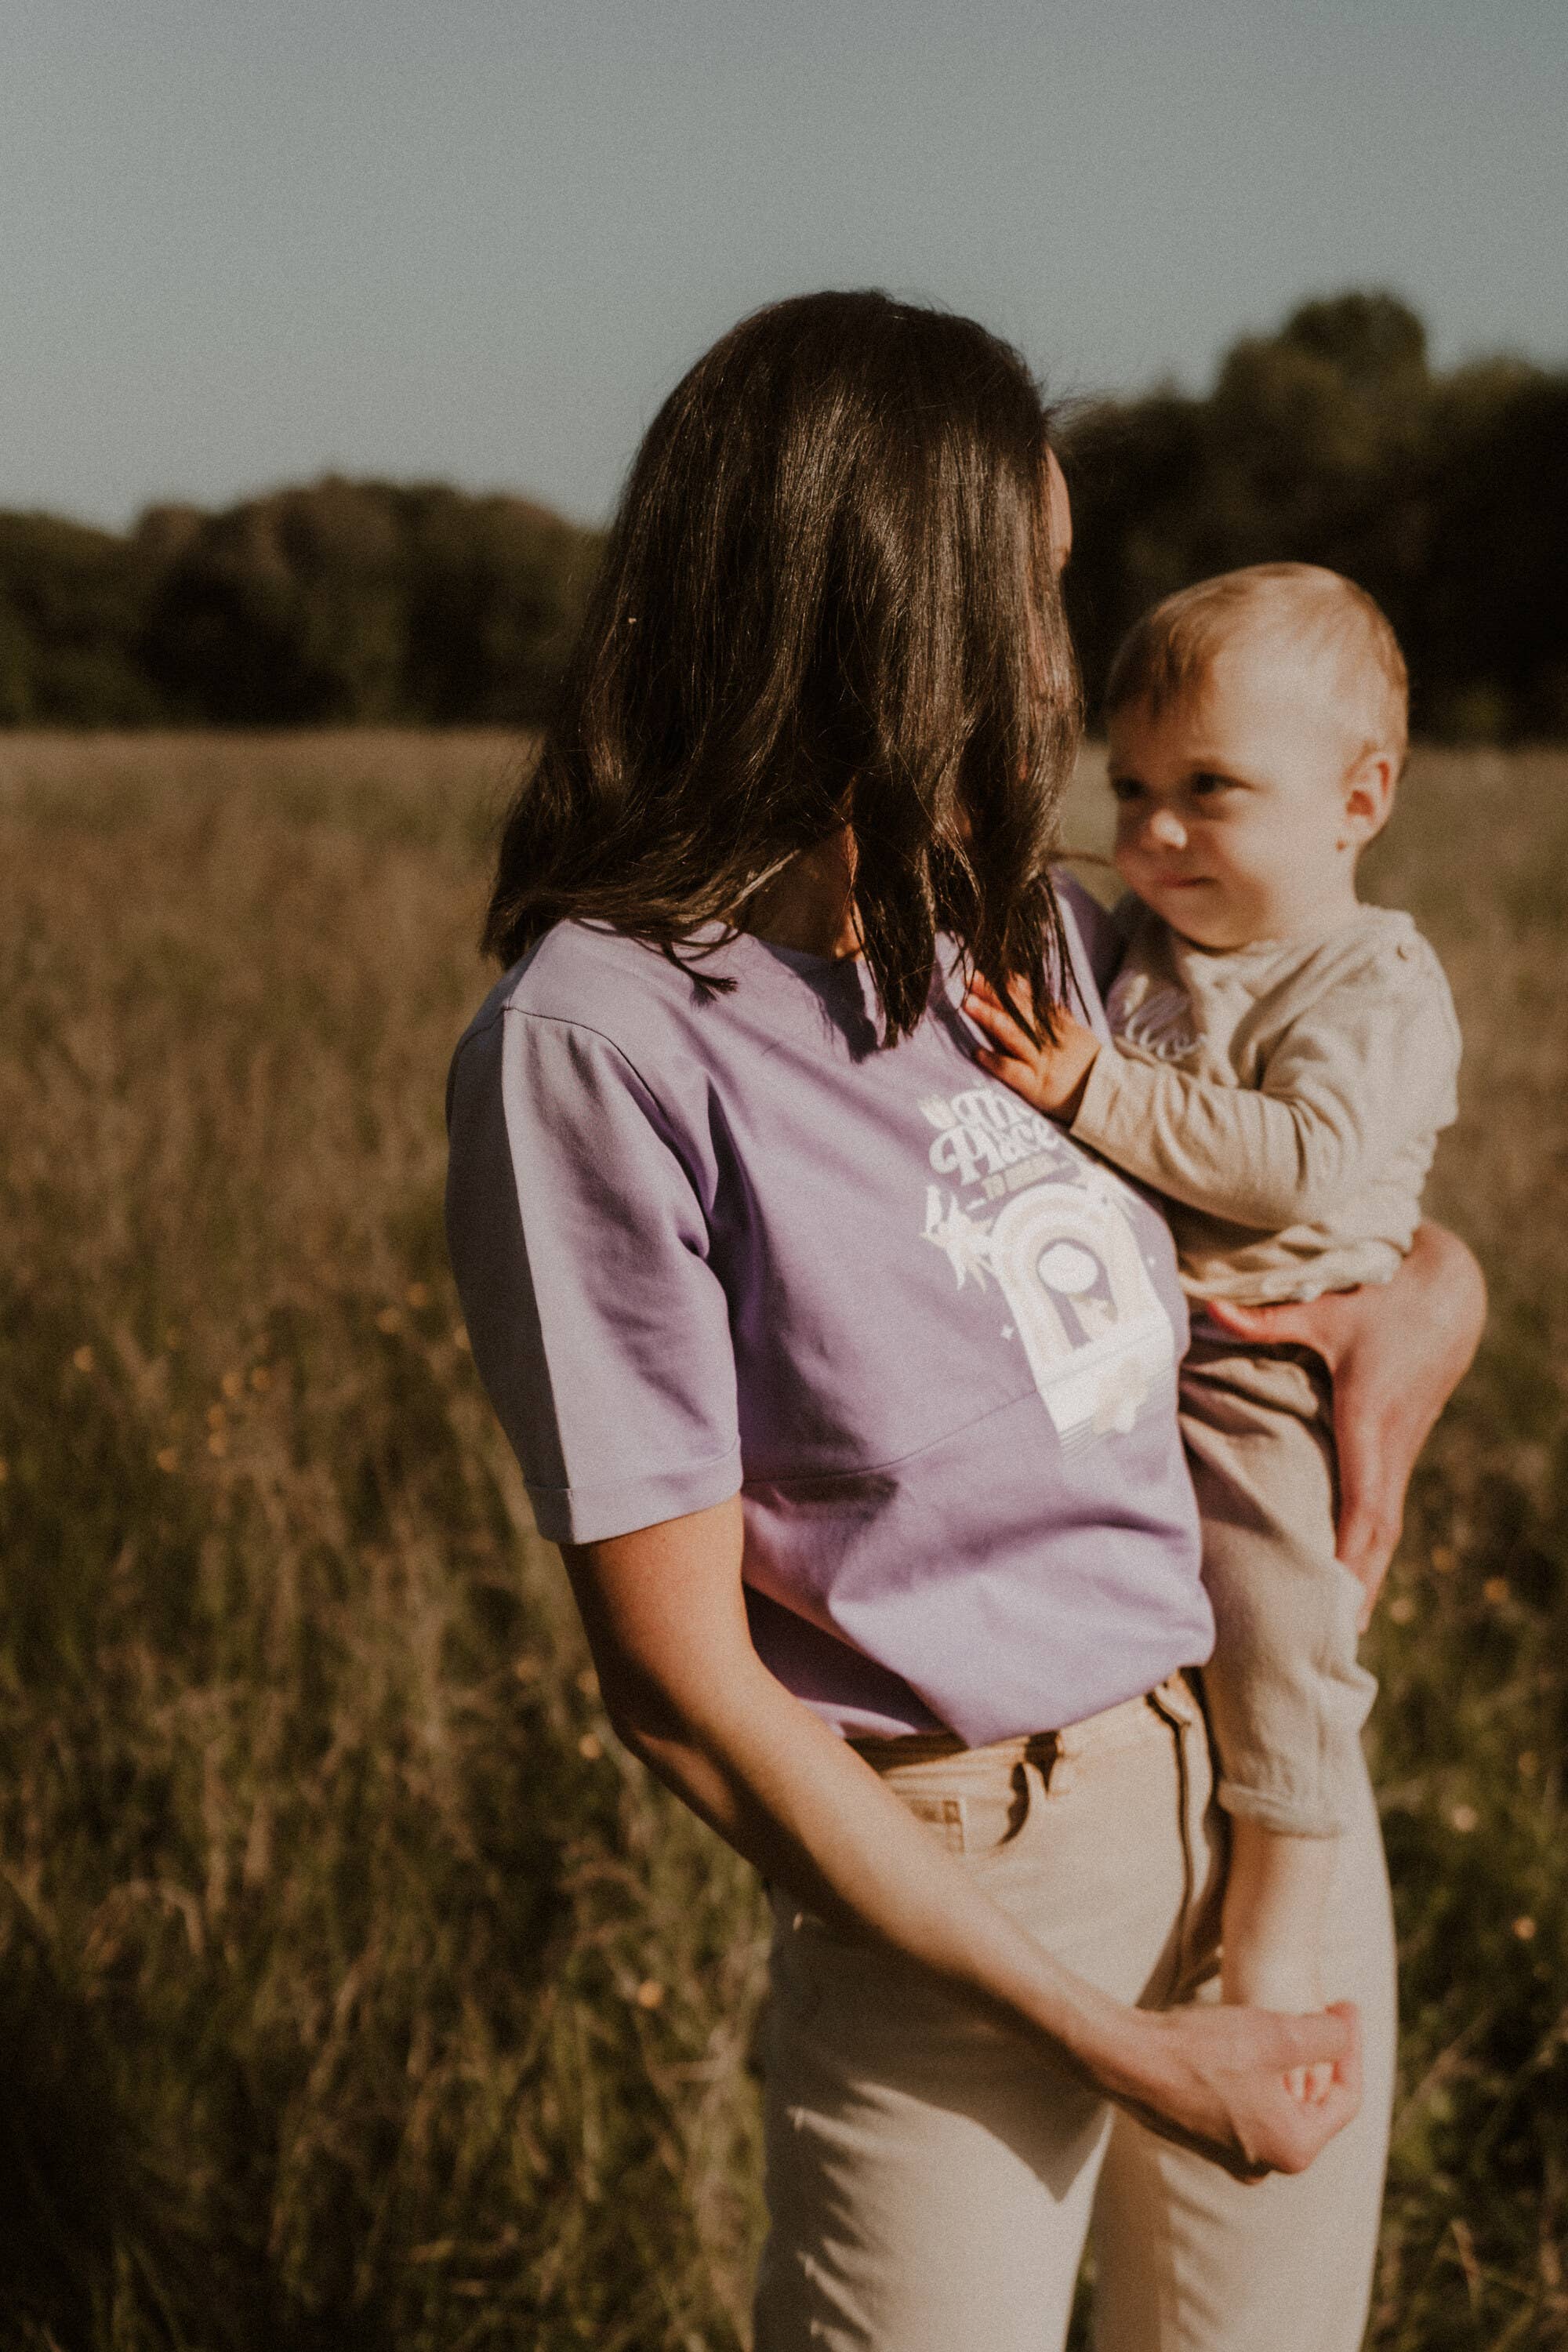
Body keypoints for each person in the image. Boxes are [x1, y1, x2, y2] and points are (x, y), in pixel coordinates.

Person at [443, 292, 1484, 2351]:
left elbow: (1316, 1175)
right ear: (886, 606)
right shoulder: (601, 1043)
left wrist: (1434, 1293)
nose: (1060, 669)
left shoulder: (1038, 930)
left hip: (1258, 1774)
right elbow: (681, 1690)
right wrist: (1108, 2033)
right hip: (960, 1880)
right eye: (1034, 593)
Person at [963, 564, 1461, 2085]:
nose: (1156, 830)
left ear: (1356, 800)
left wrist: (1096, 1093)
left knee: (1282, 1623)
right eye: (1130, 789)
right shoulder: (1147, 941)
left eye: (1210, 790)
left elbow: (1296, 1165)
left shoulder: (1363, 975)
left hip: (1261, 1349)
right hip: (1141, 1330)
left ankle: (1277, 1948)